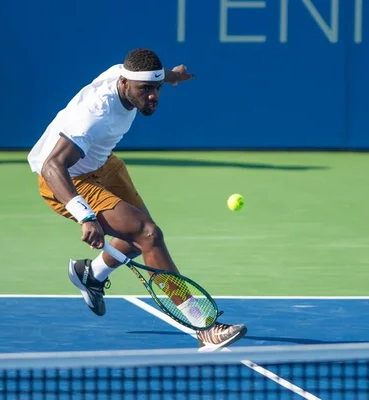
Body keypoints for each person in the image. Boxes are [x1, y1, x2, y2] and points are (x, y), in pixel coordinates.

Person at [27, 48, 247, 351]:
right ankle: (203, 326)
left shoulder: (130, 75)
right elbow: (53, 166)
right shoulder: (93, 116)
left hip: (102, 163)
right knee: (148, 234)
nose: (153, 96)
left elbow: (151, 75)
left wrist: (172, 77)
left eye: (156, 88)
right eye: (146, 89)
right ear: (125, 83)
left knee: (135, 238)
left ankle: (91, 275)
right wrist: (84, 215)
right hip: (66, 179)